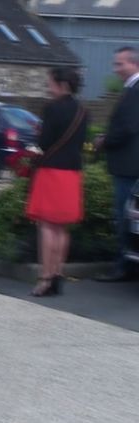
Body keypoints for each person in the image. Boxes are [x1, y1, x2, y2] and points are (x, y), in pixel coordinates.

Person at [26, 66, 88, 297]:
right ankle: (58, 274)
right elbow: (81, 143)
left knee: (47, 226)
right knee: (62, 227)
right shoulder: (84, 111)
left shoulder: (51, 108)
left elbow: (43, 142)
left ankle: (45, 277)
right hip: (72, 172)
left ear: (62, 85)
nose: (48, 86)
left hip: (51, 171)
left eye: (50, 82)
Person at [94, 46, 139, 282]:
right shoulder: (131, 89)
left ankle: (123, 267)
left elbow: (129, 127)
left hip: (128, 166)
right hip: (128, 165)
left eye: (120, 64)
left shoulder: (135, 90)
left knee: (124, 217)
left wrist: (105, 141)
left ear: (134, 64)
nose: (116, 69)